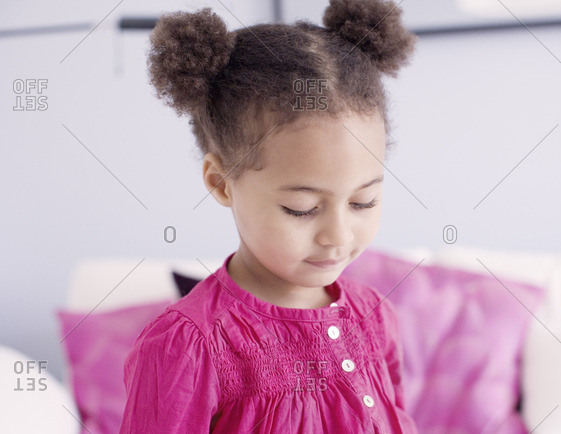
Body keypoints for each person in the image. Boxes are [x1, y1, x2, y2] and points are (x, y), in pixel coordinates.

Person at [119, 0, 418, 432]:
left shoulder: (374, 315)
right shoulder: (189, 346)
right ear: (222, 182)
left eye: (362, 202)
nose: (337, 236)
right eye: (303, 209)